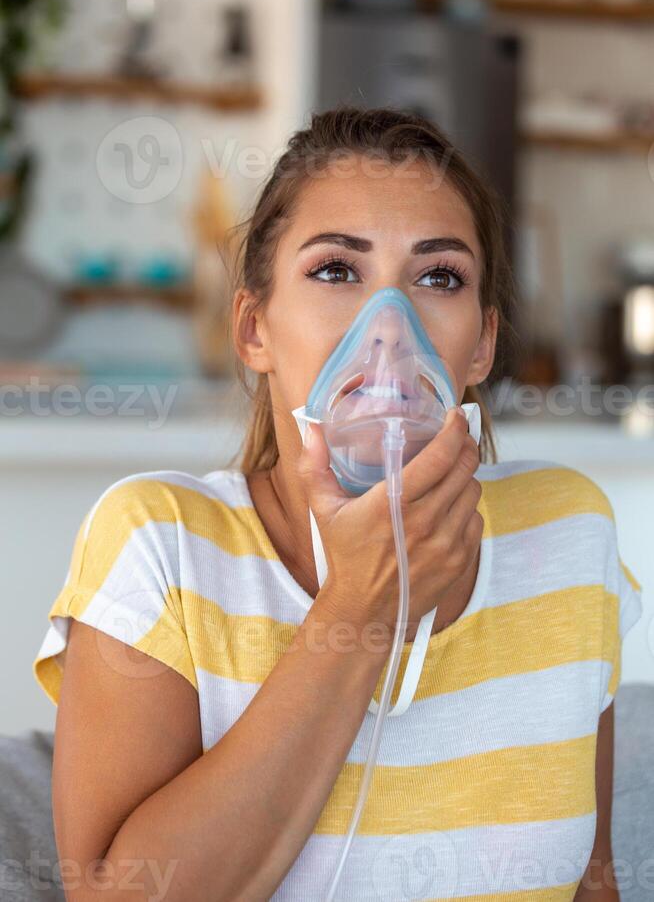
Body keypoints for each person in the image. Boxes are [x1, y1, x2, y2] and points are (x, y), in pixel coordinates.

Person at [33, 106, 643, 902]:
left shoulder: (568, 531)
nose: (387, 331)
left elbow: (593, 885)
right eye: (335, 271)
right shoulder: (162, 547)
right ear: (255, 330)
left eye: (438, 277)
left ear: (483, 343)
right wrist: (362, 604)